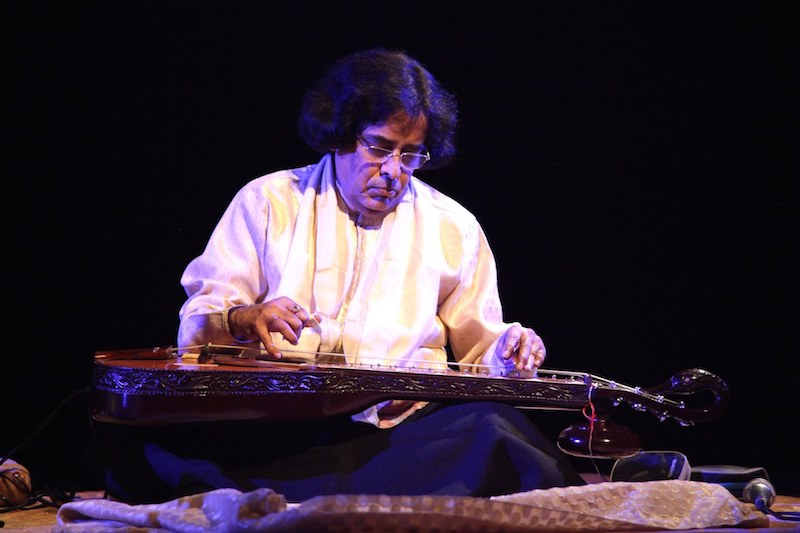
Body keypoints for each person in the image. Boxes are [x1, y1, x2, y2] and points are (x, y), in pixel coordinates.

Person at [98, 48, 585, 503]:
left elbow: (482, 348)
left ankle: (280, 493)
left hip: (400, 433)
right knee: (146, 443)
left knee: (495, 431)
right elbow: (200, 321)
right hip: (279, 424)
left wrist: (510, 348)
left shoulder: (453, 226)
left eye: (411, 154)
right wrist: (245, 318)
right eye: (380, 147)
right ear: (340, 134)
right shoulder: (270, 202)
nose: (393, 170)